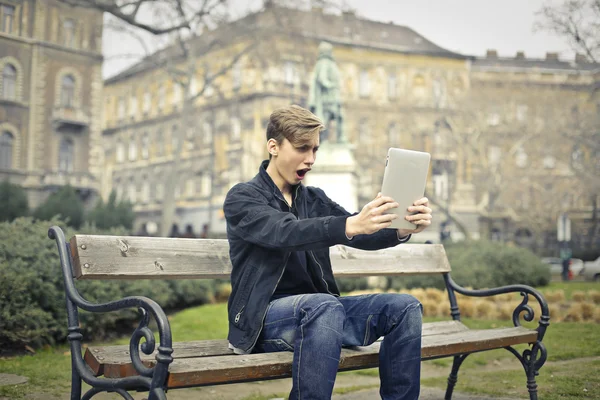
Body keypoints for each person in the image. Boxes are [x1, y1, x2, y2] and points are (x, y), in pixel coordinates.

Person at [223, 105, 433, 400]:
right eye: (302, 148)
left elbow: (359, 234)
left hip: (322, 314)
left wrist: (402, 228)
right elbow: (285, 232)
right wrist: (350, 222)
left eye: (315, 150)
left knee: (405, 308)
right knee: (324, 306)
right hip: (262, 321)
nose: (310, 159)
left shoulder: (312, 199)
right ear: (273, 146)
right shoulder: (242, 198)